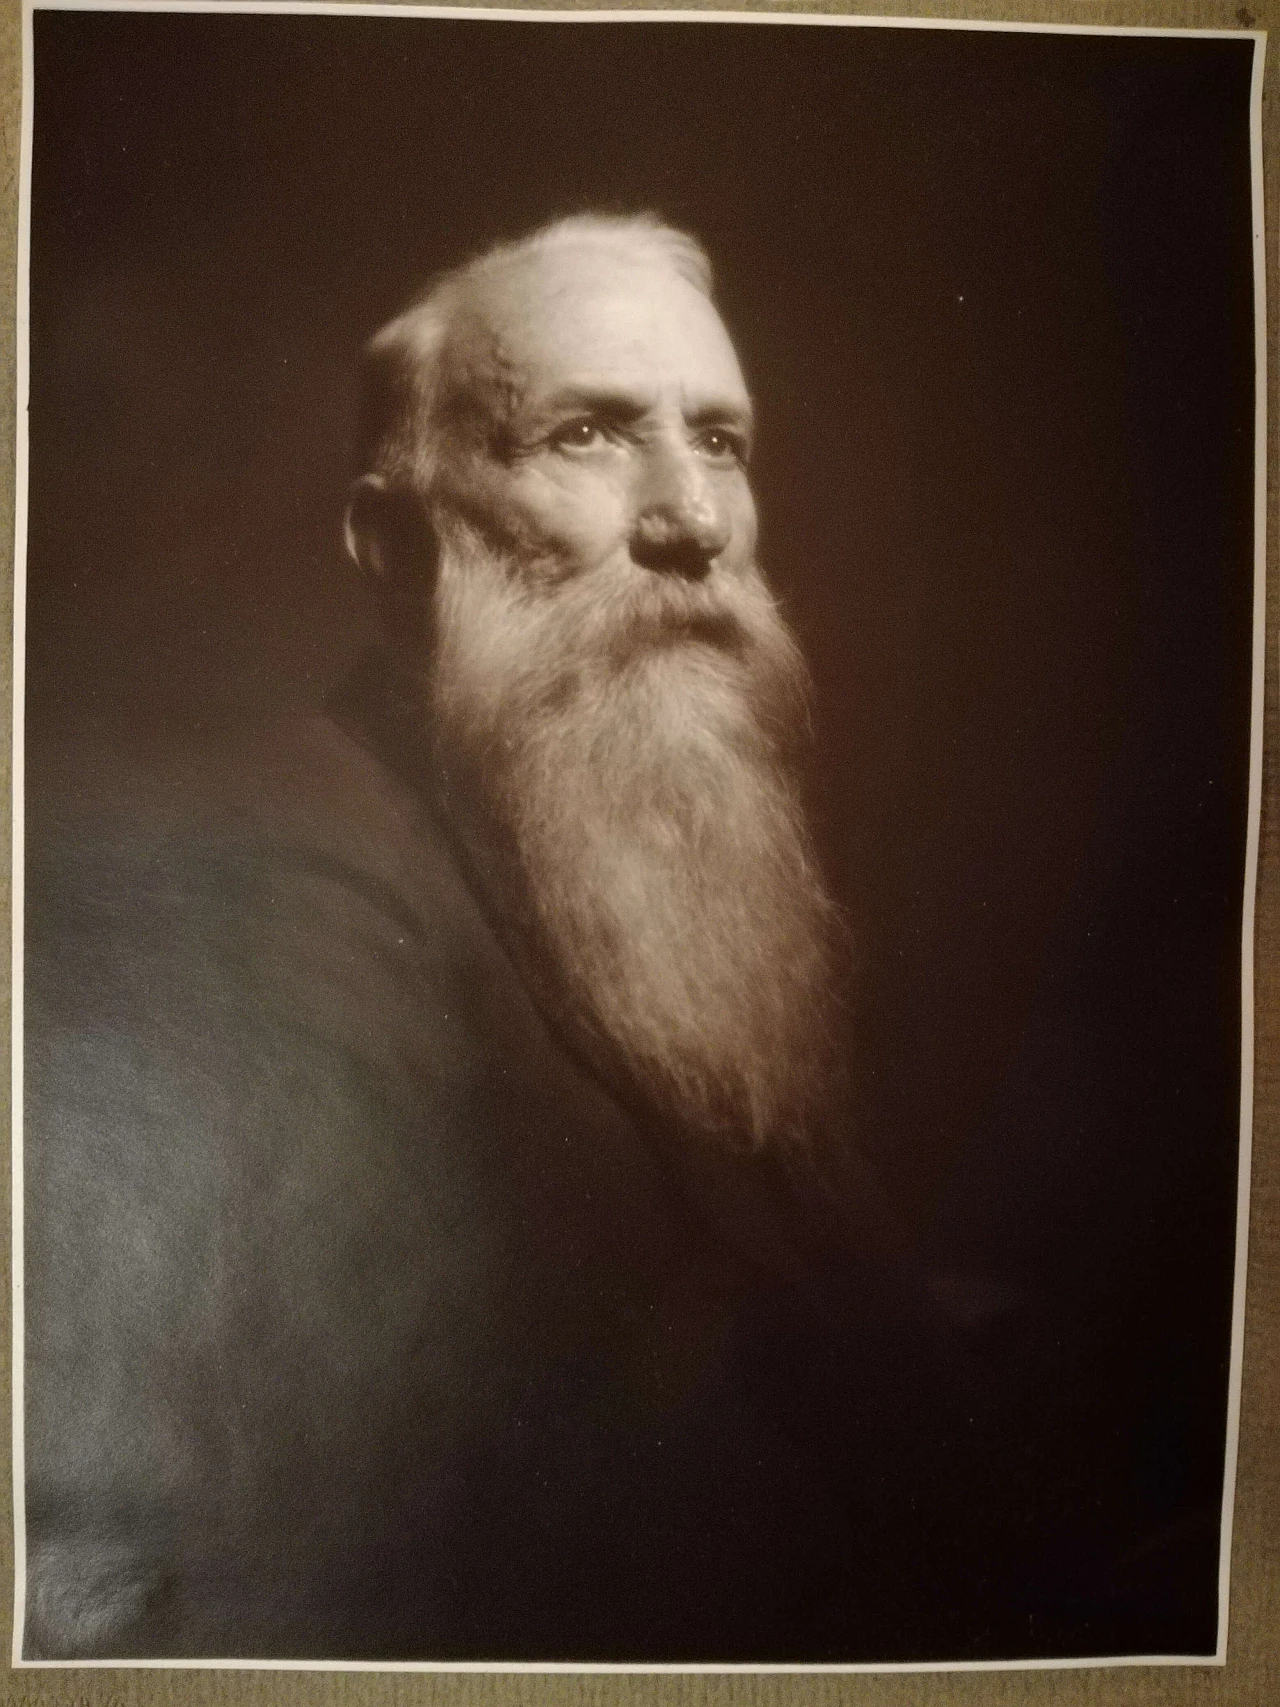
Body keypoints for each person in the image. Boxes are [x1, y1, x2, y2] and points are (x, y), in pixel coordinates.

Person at [23, 215, 1007, 1663]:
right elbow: (380, 1514)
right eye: (589, 436)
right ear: (396, 540)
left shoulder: (654, 849)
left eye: (722, 443)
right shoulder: (288, 885)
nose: (693, 520)